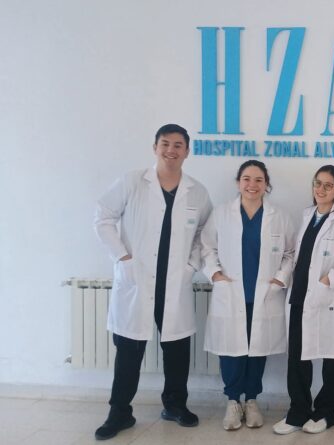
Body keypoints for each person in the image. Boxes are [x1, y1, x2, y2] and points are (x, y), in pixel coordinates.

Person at [93, 124, 212, 440]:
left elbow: (205, 234)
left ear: (187, 151)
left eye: (178, 145)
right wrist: (123, 257)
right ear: (155, 147)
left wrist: (191, 266)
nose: (171, 150)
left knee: (177, 349)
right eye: (165, 144)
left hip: (174, 283)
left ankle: (175, 405)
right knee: (129, 350)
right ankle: (119, 412)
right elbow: (103, 217)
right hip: (137, 280)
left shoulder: (197, 192)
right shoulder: (133, 182)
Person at [200, 160, 295, 431]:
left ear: (266, 184)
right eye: (246, 179)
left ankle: (251, 400)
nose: (252, 185)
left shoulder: (279, 216)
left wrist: (281, 278)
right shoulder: (221, 213)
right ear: (238, 182)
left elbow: (290, 253)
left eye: (258, 180)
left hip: (264, 295)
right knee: (231, 351)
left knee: (257, 351)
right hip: (231, 293)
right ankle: (233, 401)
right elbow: (206, 247)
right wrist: (215, 273)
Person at [272, 165, 334, 435]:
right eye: (317, 183)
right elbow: (298, 255)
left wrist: (329, 279)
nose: (321, 189)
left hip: (329, 299)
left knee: (331, 358)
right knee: (297, 358)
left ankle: (326, 412)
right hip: (299, 296)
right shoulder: (307, 215)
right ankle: (297, 412)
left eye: (328, 185)